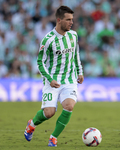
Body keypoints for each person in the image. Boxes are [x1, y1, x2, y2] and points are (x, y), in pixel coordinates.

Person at [24, 5, 84, 147]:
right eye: (68, 19)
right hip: (52, 81)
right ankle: (31, 125)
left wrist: (79, 71)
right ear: (59, 20)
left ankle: (53, 137)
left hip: (69, 80)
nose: (71, 22)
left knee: (69, 106)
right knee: (49, 112)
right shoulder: (48, 40)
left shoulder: (73, 35)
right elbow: (39, 62)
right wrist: (50, 79)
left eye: (72, 19)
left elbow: (76, 55)